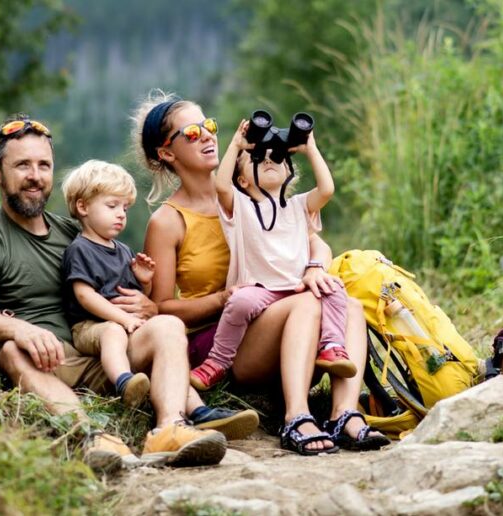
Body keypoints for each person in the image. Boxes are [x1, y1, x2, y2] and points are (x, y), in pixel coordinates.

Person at [0, 115, 257, 471]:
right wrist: (23, 329)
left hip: (103, 354)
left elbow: (122, 283)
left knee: (168, 326)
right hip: (44, 360)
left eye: (43, 165)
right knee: (10, 350)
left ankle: (170, 428)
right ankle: (89, 434)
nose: (35, 176)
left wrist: (146, 303)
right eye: (22, 165)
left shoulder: (74, 231)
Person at [134, 93, 391, 455]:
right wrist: (223, 299)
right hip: (229, 339)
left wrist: (316, 266)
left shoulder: (250, 186)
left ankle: (344, 415)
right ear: (166, 153)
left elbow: (312, 241)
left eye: (209, 126)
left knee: (347, 305)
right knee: (306, 304)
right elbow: (161, 308)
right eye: (192, 133)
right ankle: (296, 418)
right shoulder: (168, 220)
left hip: (281, 321)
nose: (208, 136)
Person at [187, 119, 357, 391]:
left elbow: (327, 190)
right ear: (242, 179)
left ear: (288, 170)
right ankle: (217, 362)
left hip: (297, 287)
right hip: (260, 289)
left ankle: (332, 346)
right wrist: (237, 145)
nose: (269, 160)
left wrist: (310, 148)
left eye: (277, 158)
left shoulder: (299, 206)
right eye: (258, 158)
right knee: (239, 301)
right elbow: (221, 187)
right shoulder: (240, 208)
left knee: (335, 289)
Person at [59, 159, 157, 407]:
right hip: (89, 327)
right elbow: (85, 295)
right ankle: (124, 382)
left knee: (161, 330)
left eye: (125, 208)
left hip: (123, 324)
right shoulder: (80, 249)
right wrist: (122, 320)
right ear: (83, 207)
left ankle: (191, 406)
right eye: (112, 205)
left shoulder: (123, 250)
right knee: (112, 331)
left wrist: (144, 283)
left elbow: (134, 297)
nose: (121, 214)